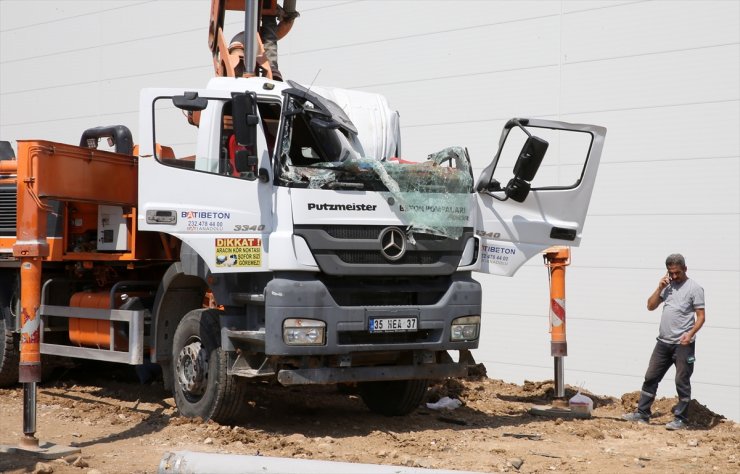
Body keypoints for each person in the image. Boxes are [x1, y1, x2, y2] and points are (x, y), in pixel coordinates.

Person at [623, 253, 705, 430]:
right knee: (651, 377)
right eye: (671, 273)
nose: (674, 276)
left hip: (683, 344)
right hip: (663, 343)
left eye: (677, 273)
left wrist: (690, 334)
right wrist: (658, 288)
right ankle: (642, 413)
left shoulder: (695, 288)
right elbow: (650, 306)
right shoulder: (667, 287)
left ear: (685, 269)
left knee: (681, 381)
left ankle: (681, 419)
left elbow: (701, 317)